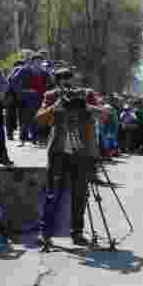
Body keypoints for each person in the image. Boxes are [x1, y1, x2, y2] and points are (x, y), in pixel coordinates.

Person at [35, 69, 104, 251]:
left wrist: (87, 107)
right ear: (56, 82)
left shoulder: (87, 94)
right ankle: (46, 234)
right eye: (62, 79)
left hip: (81, 152)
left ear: (74, 79)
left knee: (80, 194)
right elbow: (39, 119)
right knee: (53, 193)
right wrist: (56, 105)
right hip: (58, 152)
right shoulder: (51, 96)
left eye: (69, 78)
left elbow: (104, 114)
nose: (66, 82)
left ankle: (77, 232)